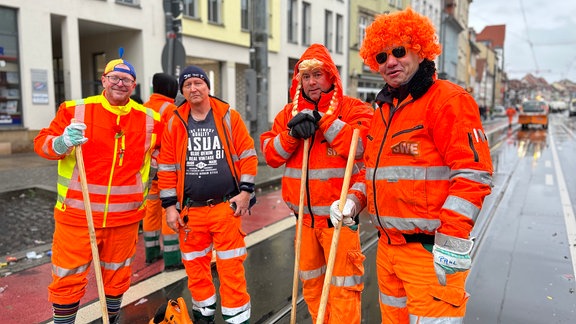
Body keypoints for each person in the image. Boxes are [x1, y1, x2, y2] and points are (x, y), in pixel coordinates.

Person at [352, 8, 494, 323]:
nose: (390, 61)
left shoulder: (448, 101)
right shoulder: (383, 111)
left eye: (399, 51)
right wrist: (353, 201)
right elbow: (373, 173)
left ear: (420, 49)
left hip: (429, 255)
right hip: (387, 253)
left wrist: (453, 239)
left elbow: (473, 174)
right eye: (381, 56)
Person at [34, 57, 163, 323]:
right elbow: (42, 144)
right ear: (103, 80)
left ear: (134, 85)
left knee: (116, 281)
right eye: (114, 77)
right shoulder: (75, 110)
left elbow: (168, 155)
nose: (119, 83)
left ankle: (111, 320)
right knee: (67, 280)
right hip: (77, 217)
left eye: (126, 80)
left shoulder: (151, 119)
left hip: (124, 221)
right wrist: (61, 142)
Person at [260, 43, 373, 323]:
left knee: (344, 291)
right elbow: (270, 155)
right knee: (312, 287)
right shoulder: (288, 114)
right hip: (304, 222)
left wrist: (325, 121)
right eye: (305, 76)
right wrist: (291, 135)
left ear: (331, 77)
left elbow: (363, 147)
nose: (311, 82)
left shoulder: (353, 109)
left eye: (317, 75)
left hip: (340, 223)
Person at [157, 65, 257, 324]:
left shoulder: (227, 116)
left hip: (225, 208)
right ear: (182, 91)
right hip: (191, 213)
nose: (194, 88)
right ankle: (204, 317)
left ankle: (237, 319)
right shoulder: (175, 122)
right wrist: (170, 207)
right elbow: (166, 167)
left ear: (207, 87)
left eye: (198, 83)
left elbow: (247, 154)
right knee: (196, 270)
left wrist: (245, 193)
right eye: (187, 85)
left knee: (231, 269)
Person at [142, 73, 183, 270]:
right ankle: (172, 258)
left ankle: (151, 253)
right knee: (170, 209)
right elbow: (175, 140)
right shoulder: (171, 110)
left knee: (150, 211)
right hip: (166, 169)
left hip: (146, 171)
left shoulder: (143, 109)